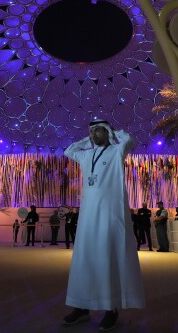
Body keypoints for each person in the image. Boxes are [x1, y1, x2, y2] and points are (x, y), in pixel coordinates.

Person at [62, 119, 145, 331]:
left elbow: (130, 141)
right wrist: (87, 137)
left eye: (97, 130)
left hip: (110, 214)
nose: (93, 134)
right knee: (84, 258)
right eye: (91, 131)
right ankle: (81, 306)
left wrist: (113, 131)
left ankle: (111, 309)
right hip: (88, 216)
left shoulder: (117, 151)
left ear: (107, 131)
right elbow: (69, 151)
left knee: (107, 257)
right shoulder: (86, 154)